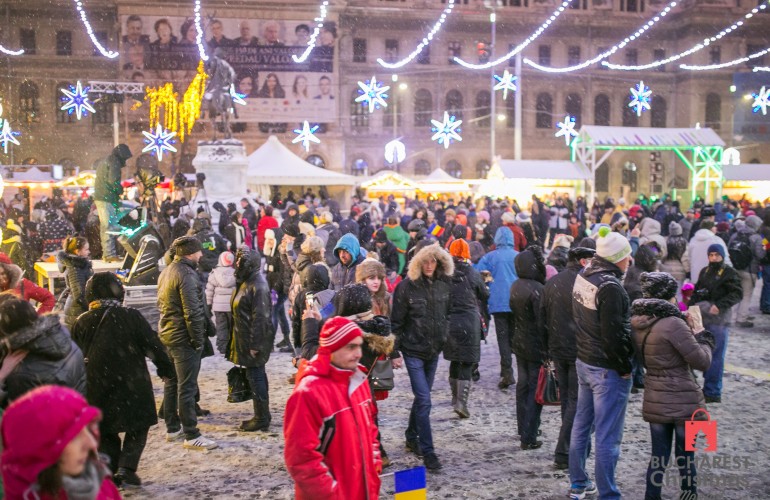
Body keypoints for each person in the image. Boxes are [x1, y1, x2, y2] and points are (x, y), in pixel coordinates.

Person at [71, 272, 174, 487]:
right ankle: (127, 467)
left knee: (105, 427)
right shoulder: (131, 316)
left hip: (96, 383)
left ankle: (111, 469)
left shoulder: (81, 321)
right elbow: (153, 345)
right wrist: (165, 368)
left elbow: (73, 356)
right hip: (132, 381)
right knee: (138, 425)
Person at [631, 272, 714, 500]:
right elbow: (702, 362)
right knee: (686, 458)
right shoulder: (673, 324)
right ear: (670, 296)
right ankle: (688, 495)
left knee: (658, 457)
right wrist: (702, 335)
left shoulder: (638, 322)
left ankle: (652, 496)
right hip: (686, 401)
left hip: (655, 398)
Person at [284, 317, 381, 499]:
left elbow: (371, 430)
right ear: (332, 348)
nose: (358, 353)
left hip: (362, 490)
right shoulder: (308, 393)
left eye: (359, 346)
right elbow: (301, 459)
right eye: (351, 347)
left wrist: (373, 462)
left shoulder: (359, 380)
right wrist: (332, 493)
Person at [569, 226, 634, 500]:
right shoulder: (610, 287)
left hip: (584, 360)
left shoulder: (584, 274)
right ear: (617, 257)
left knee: (582, 425)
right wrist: (625, 367)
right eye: (627, 255)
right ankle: (608, 493)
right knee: (608, 436)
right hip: (605, 368)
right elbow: (613, 335)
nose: (630, 260)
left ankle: (578, 483)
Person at [391, 243, 453, 471]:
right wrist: (394, 351)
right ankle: (428, 452)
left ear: (439, 262)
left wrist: (445, 337)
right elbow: (396, 322)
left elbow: (448, 314)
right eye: (425, 261)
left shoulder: (444, 284)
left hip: (433, 350)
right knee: (425, 399)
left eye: (433, 261)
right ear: (417, 262)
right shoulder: (406, 287)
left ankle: (411, 435)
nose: (429, 265)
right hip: (412, 349)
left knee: (421, 398)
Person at [1, 385, 121, 499]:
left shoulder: (102, 488)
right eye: (74, 437)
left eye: (88, 430)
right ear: (39, 449)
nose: (92, 444)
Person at [157, 236, 218, 450]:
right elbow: (192, 311)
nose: (201, 255)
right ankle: (191, 434)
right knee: (187, 387)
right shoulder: (187, 274)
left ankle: (173, 429)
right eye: (199, 251)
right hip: (183, 338)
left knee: (172, 383)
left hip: (169, 335)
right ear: (190, 253)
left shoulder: (167, 271)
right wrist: (197, 340)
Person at [542, 246, 595, 470]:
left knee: (567, 400)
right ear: (583, 261)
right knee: (575, 401)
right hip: (577, 349)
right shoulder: (585, 283)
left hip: (558, 347)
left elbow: (542, 317)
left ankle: (576, 445)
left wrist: (546, 348)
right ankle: (564, 451)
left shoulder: (553, 282)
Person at [0, 297, 86, 407]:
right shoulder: (67, 342)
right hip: (76, 413)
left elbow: (14, 413)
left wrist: (1, 377)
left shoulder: (22, 372)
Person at [687, 244, 742, 404]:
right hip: (702, 318)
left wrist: (720, 305)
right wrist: (691, 309)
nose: (713, 258)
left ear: (722, 256)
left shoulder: (729, 273)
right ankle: (701, 387)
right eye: (711, 255)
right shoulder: (705, 271)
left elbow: (737, 293)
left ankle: (712, 391)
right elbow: (697, 292)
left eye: (716, 255)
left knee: (716, 356)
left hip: (719, 320)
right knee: (701, 353)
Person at [227, 249, 275, 432]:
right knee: (255, 376)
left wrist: (256, 344)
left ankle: (261, 417)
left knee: (256, 377)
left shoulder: (258, 285)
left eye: (241, 261)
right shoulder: (246, 281)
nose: (237, 264)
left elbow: (261, 318)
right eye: (237, 260)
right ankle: (262, 414)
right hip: (245, 339)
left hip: (252, 340)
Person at [445, 239, 488, 419]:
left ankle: (455, 398)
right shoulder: (473, 273)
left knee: (455, 360)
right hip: (469, 321)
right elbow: (484, 294)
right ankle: (462, 403)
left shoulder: (446, 273)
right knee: (467, 361)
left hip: (451, 322)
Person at [509, 246, 547, 450]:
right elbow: (541, 322)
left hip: (520, 340)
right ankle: (529, 434)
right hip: (533, 344)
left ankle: (523, 427)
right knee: (535, 388)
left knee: (523, 386)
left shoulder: (516, 285)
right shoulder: (537, 289)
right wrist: (546, 347)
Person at [474, 227, 519, 389]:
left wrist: (491, 285)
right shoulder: (517, 256)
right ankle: (514, 366)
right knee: (513, 335)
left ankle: (507, 371)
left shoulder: (490, 257)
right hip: (516, 301)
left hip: (498, 303)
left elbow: (481, 278)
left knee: (503, 338)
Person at [94, 144, 132, 262]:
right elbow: (113, 181)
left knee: (106, 226)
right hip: (107, 198)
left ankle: (108, 253)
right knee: (109, 226)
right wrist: (120, 190)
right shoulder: (114, 162)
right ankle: (110, 254)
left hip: (102, 196)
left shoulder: (107, 160)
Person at [728, 215, 766, 328]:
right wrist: (764, 246)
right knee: (746, 295)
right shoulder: (756, 238)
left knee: (734, 293)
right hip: (750, 270)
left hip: (734, 269)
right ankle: (741, 318)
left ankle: (730, 317)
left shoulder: (736, 235)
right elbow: (760, 255)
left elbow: (729, 249)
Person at [58, 235, 94, 329]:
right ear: (77, 252)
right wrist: (91, 308)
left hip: (76, 309)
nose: (89, 252)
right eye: (86, 249)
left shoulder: (79, 265)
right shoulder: (75, 268)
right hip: (76, 310)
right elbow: (79, 295)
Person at [205, 251, 236, 354]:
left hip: (218, 307)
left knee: (221, 326)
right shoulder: (235, 273)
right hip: (231, 306)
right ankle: (232, 345)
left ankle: (222, 346)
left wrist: (208, 304)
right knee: (232, 326)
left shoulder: (214, 274)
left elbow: (209, 291)